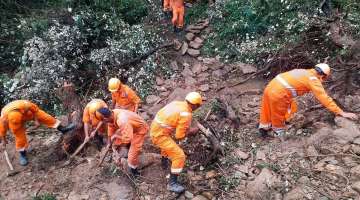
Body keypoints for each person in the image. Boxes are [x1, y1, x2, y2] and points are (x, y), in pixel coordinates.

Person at [258, 63, 358, 138]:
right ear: (323, 76)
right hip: (279, 93)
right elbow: (325, 99)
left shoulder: (305, 72)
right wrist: (341, 112)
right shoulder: (313, 79)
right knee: (278, 112)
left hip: (270, 87)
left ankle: (264, 126)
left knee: (270, 108)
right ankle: (279, 132)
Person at [150, 92, 202, 193]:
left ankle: (164, 162)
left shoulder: (177, 103)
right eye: (198, 106)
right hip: (159, 135)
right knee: (180, 156)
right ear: (195, 105)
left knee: (169, 145)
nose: (198, 108)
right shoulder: (186, 113)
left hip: (156, 128)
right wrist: (192, 131)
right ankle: (172, 183)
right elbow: (179, 136)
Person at [0, 100, 75, 165]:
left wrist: (36, 120)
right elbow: (2, 131)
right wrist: (4, 140)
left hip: (28, 113)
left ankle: (62, 128)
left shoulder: (25, 105)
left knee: (45, 117)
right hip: (14, 122)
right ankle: (22, 154)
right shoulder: (4, 119)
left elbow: (35, 110)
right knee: (20, 138)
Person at [97, 108, 148, 177]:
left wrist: (119, 141)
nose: (104, 123)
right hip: (130, 128)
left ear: (106, 118)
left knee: (131, 156)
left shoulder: (122, 120)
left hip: (139, 130)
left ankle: (135, 173)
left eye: (103, 121)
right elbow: (110, 128)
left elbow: (128, 138)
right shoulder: (113, 114)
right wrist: (109, 143)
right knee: (116, 139)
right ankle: (127, 148)